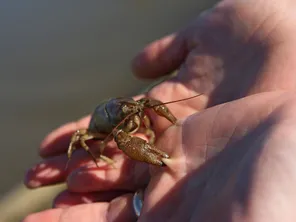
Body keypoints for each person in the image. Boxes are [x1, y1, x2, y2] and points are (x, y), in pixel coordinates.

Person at [23, 0, 296, 221]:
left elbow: (143, 109)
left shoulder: (130, 110)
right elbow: (99, 136)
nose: (135, 111)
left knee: (141, 110)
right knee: (78, 137)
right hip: (101, 130)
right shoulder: (106, 130)